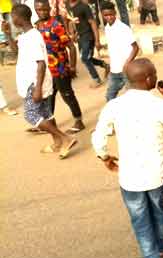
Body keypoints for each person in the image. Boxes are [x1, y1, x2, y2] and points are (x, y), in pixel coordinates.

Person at [91, 58, 163, 258]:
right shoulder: (159, 104)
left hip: (131, 177)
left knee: (140, 219)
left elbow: (98, 137)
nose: (156, 77)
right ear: (149, 79)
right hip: (157, 173)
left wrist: (105, 156)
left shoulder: (114, 105)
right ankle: (161, 247)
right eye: (154, 74)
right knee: (158, 210)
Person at [3, 4, 76, 158]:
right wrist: (7, 35)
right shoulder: (25, 36)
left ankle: (65, 138)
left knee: (30, 114)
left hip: (34, 83)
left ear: (18, 18)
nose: (11, 19)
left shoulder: (33, 37)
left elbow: (41, 63)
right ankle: (57, 142)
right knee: (45, 112)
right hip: (34, 82)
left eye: (12, 16)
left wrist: (37, 88)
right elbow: (17, 52)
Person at [34, 0, 84, 134]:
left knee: (67, 94)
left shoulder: (56, 25)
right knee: (49, 96)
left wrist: (72, 67)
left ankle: (79, 120)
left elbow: (71, 47)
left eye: (45, 9)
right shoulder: (37, 26)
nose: (42, 12)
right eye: (39, 10)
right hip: (47, 70)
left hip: (60, 68)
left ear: (48, 9)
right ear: (35, 10)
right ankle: (48, 123)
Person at [100, 1, 139, 101]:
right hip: (114, 71)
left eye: (111, 14)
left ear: (115, 13)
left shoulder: (123, 28)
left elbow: (135, 48)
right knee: (110, 97)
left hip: (126, 70)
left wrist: (127, 63)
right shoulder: (107, 28)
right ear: (102, 15)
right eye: (106, 15)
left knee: (132, 97)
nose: (109, 17)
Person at [67, 0, 108, 88]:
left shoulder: (84, 6)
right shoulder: (68, 6)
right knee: (86, 58)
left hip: (88, 35)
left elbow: (93, 23)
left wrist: (97, 40)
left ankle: (96, 79)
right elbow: (71, 21)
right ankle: (104, 65)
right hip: (80, 37)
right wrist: (73, 34)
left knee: (84, 58)